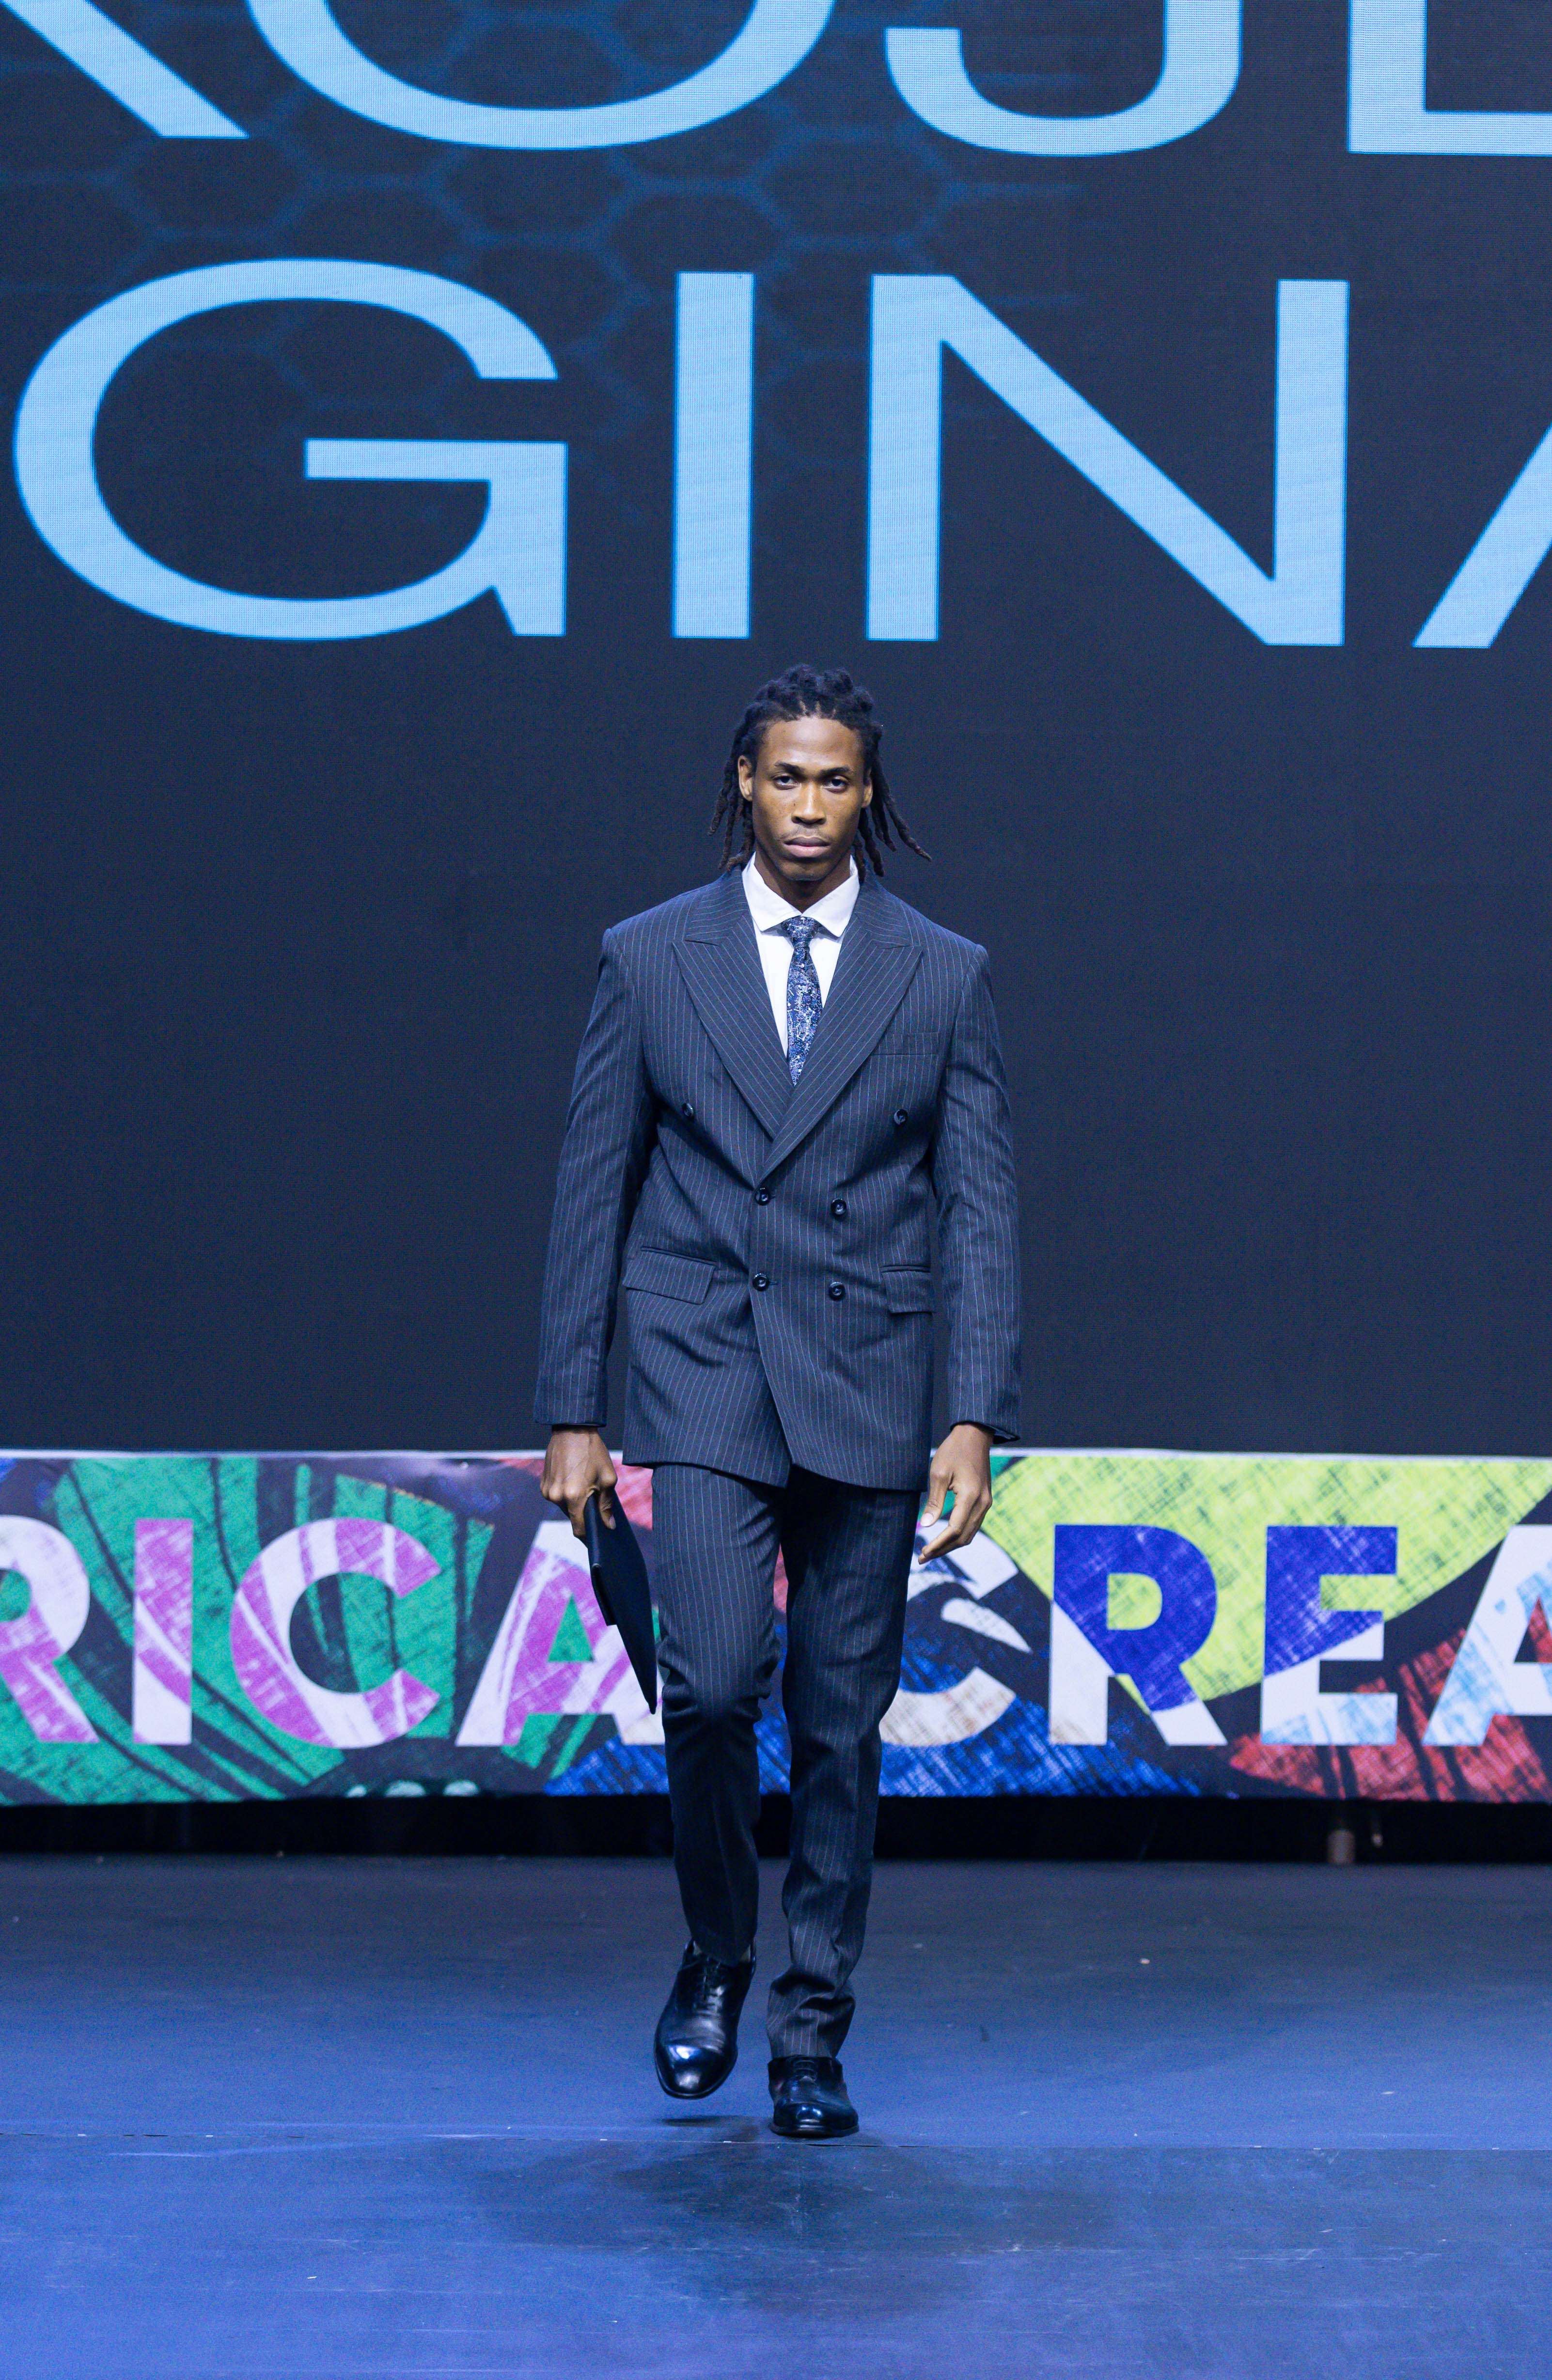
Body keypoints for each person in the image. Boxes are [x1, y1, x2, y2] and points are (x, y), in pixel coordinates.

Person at [535, 664, 1021, 2139]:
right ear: (743, 785)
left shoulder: (941, 973)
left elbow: (978, 1208)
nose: (809, 804)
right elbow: (594, 1181)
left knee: (838, 1725)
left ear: (869, 795)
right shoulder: (649, 957)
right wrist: (572, 1408)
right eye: (786, 776)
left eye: (835, 780)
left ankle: (811, 2032)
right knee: (710, 1684)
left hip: (869, 1374)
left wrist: (974, 1414)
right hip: (704, 1369)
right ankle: (717, 1948)